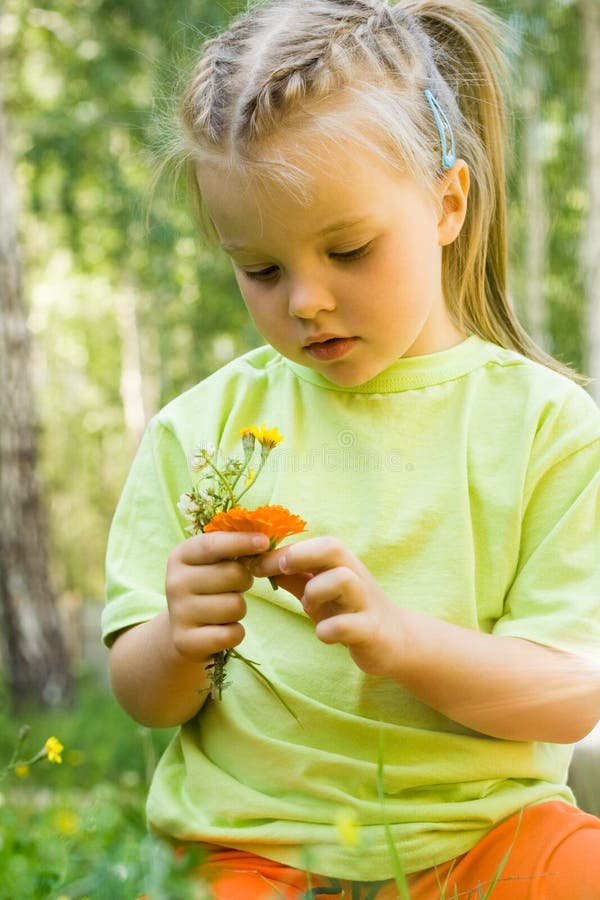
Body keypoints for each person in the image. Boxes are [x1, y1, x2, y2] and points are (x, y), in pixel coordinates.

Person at [103, 0, 600, 897]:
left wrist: (398, 641)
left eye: (349, 250)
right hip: (254, 846)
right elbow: (145, 698)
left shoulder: (547, 427)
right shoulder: (200, 431)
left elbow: (571, 694)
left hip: (483, 836)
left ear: (448, 204)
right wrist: (179, 638)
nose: (305, 302)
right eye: (261, 269)